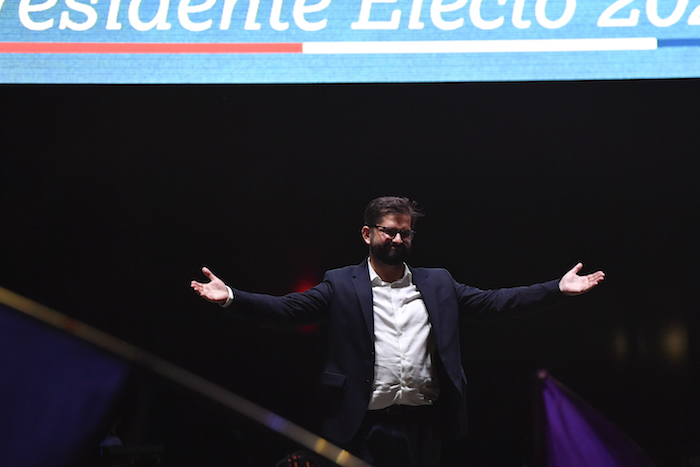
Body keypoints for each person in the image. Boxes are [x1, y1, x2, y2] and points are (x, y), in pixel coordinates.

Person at [190, 196, 605, 467]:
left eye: (405, 232)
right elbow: (286, 310)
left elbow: (495, 303)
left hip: (423, 426)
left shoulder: (438, 282)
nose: (397, 238)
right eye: (389, 230)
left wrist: (556, 289)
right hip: (362, 425)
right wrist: (232, 298)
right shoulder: (340, 283)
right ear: (368, 234)